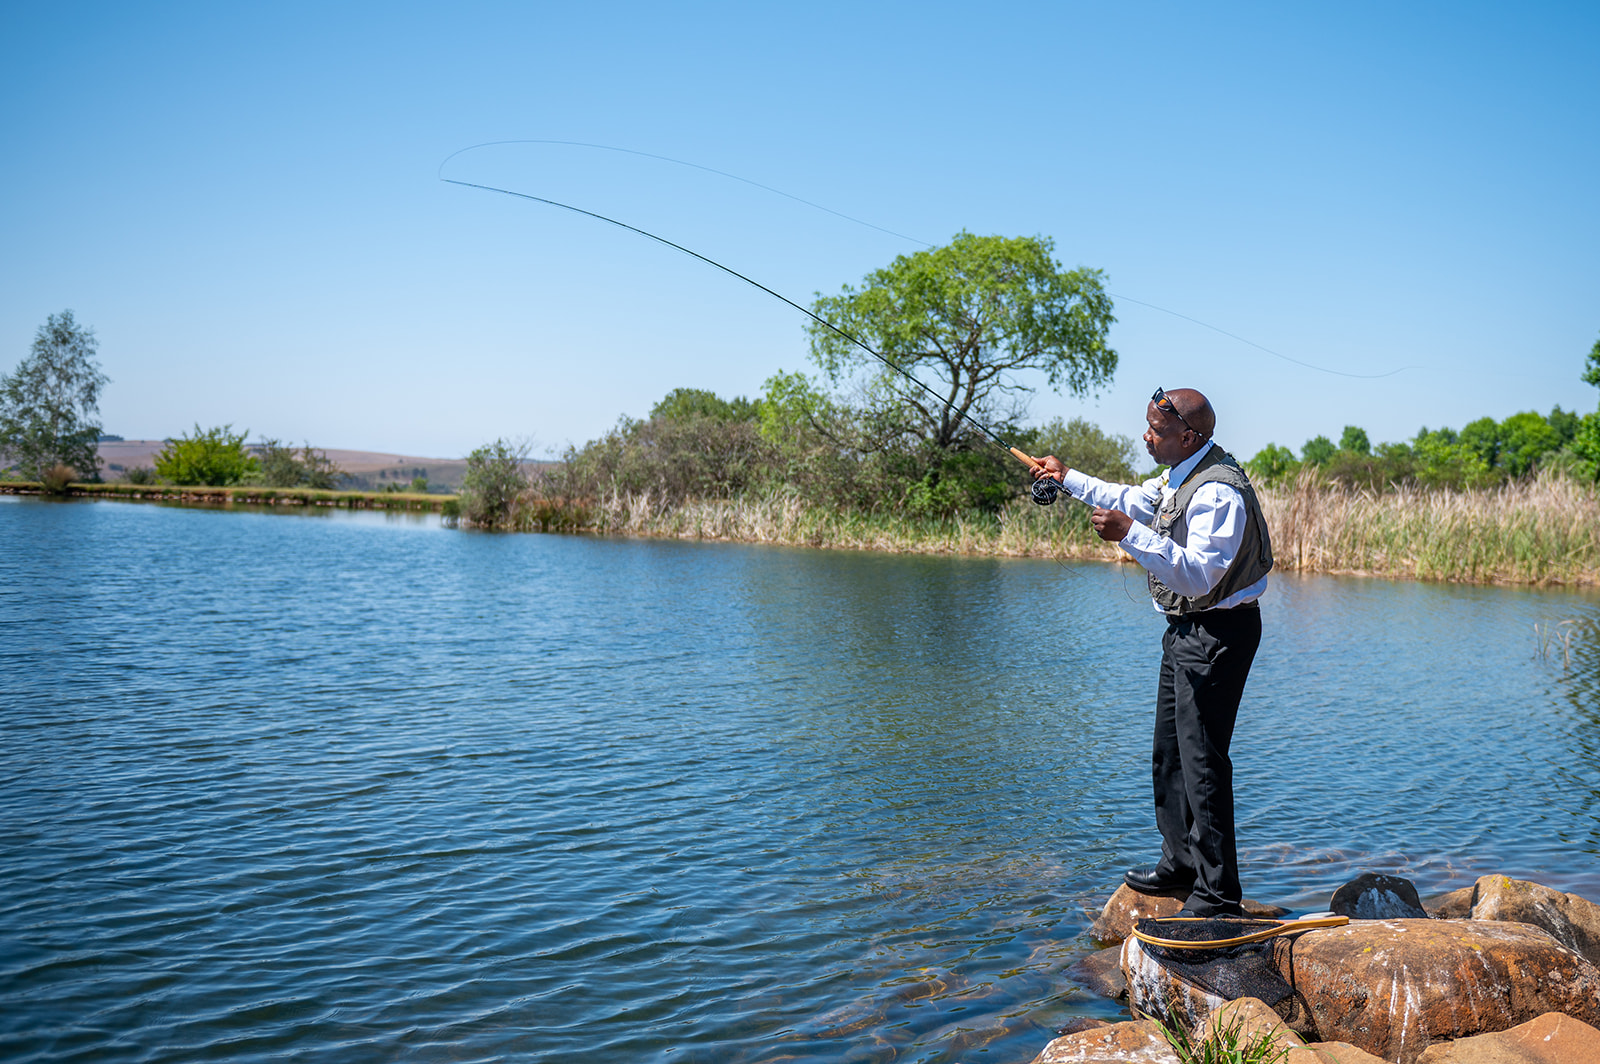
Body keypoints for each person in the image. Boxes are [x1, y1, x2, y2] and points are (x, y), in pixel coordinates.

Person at [1035, 387, 1272, 917]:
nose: (1145, 436)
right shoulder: (1179, 475)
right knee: (1170, 754)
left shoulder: (1218, 493)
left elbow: (1197, 574)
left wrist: (1130, 538)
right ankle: (1180, 863)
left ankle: (1217, 896)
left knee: (1203, 762)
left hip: (1219, 633)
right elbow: (1134, 500)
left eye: (1156, 431)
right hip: (1186, 632)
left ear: (1188, 436)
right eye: (1147, 426)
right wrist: (1065, 476)